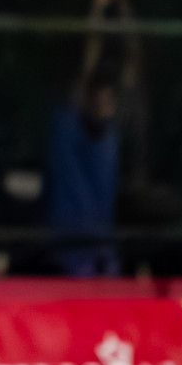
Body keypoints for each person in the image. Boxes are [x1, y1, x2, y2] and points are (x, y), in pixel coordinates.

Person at [46, 33, 121, 276]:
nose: (103, 105)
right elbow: (83, 82)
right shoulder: (67, 132)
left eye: (108, 101)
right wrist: (96, 12)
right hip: (68, 260)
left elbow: (133, 72)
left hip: (104, 261)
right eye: (96, 98)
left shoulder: (110, 140)